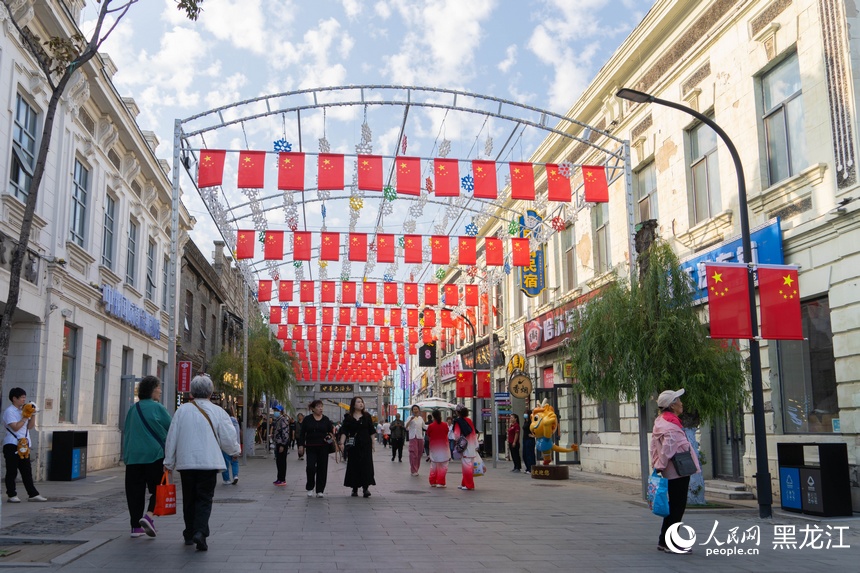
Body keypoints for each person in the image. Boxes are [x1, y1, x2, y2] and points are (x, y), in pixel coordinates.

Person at [163, 375, 241, 551]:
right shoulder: (218, 411)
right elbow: (228, 436)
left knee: (189, 498)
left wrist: (169, 461)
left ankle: (189, 533)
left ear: (192, 392)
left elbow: (172, 437)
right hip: (208, 463)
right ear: (211, 392)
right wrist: (235, 451)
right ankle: (200, 532)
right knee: (204, 498)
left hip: (186, 463)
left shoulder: (182, 411)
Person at [650, 388, 701, 554]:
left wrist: (657, 463)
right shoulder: (671, 425)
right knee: (677, 507)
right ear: (672, 406)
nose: (681, 403)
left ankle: (663, 541)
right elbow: (668, 447)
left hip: (671, 470)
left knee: (674, 506)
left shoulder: (661, 421)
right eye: (678, 400)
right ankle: (671, 543)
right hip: (677, 470)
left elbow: (654, 447)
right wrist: (662, 464)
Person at [122, 376, 171, 538]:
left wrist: (127, 456)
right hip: (154, 456)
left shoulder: (133, 409)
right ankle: (149, 516)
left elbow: (127, 433)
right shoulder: (158, 408)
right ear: (152, 389)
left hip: (134, 458)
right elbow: (172, 428)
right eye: (158, 387)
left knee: (134, 493)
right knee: (159, 488)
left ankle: (135, 527)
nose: (160, 390)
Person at [3, 387, 47, 503]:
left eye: (24, 397)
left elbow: (30, 427)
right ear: (14, 399)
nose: (24, 400)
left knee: (26, 471)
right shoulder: (9, 411)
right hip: (12, 444)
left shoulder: (23, 411)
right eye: (22, 397)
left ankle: (33, 494)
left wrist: (33, 414)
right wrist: (25, 417)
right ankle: (11, 494)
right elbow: (15, 427)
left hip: (24, 444)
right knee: (12, 471)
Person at [339, 397, 376, 497]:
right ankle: (354, 488)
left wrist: (373, 443)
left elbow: (371, 431)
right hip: (353, 445)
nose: (361, 404)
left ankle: (365, 488)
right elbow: (344, 431)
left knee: (366, 465)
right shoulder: (348, 417)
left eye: (362, 402)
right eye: (358, 402)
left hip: (365, 444)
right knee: (353, 465)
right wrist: (341, 443)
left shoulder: (367, 416)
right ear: (353, 404)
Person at [297, 400, 335, 498]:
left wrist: (330, 438)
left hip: (323, 447)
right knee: (310, 467)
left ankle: (320, 490)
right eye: (318, 407)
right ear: (313, 409)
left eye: (321, 406)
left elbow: (331, 433)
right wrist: (301, 445)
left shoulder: (326, 419)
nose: (320, 408)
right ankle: (310, 487)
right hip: (311, 447)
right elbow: (302, 434)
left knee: (322, 468)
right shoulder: (307, 419)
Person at [453, 406, 479, 491]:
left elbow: (456, 435)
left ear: (458, 412)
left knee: (467, 466)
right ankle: (464, 483)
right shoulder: (469, 420)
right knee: (468, 466)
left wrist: (456, 441)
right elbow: (474, 433)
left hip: (464, 446)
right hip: (472, 445)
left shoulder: (458, 421)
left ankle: (469, 485)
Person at [426, 409, 450, 488]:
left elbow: (428, 434)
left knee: (434, 465)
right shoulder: (445, 425)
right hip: (444, 448)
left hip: (434, 448)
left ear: (433, 416)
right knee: (443, 466)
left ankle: (433, 481)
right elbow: (446, 432)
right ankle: (441, 482)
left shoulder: (431, 426)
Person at [221, 406, 241, 485]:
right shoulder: (235, 422)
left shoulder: (223, 422)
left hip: (225, 445)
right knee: (234, 461)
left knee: (225, 463)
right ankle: (235, 475)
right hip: (235, 444)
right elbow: (237, 434)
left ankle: (227, 479)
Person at [405, 405, 426, 476]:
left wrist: (434, 425)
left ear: (419, 410)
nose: (415, 410)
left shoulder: (420, 418)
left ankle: (416, 469)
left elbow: (424, 427)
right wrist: (410, 420)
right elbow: (405, 426)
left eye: (416, 409)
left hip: (420, 437)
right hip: (413, 437)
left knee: (419, 454)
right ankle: (413, 470)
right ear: (412, 411)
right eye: (414, 409)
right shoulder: (409, 418)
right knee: (414, 454)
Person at [272, 405, 290, 486]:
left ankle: (282, 479)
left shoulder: (283, 420)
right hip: (278, 443)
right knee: (278, 461)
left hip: (282, 444)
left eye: (277, 410)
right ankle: (279, 478)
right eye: (274, 410)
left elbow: (285, 433)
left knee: (282, 461)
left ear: (281, 411)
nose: (275, 412)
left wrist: (283, 444)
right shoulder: (277, 420)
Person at [522, 408, 536, 474]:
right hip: (525, 439)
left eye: (526, 413)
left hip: (530, 439)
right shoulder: (525, 421)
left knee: (530, 453)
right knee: (524, 454)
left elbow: (535, 429)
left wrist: (533, 435)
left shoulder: (531, 422)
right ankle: (527, 467)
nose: (525, 414)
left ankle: (531, 468)